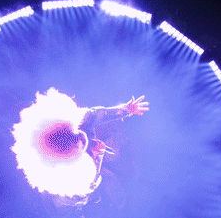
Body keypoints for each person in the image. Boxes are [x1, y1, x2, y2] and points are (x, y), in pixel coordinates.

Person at [11, 89, 149, 208]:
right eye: (78, 144)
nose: (82, 141)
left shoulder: (74, 121)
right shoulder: (69, 173)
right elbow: (90, 185)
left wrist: (124, 110)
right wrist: (98, 156)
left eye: (78, 138)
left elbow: (95, 115)